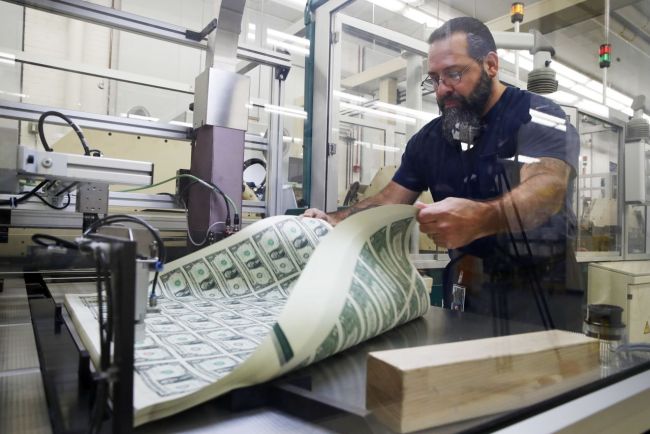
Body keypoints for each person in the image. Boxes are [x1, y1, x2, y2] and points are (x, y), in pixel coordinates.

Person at [304, 17, 581, 331]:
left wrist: (482, 218)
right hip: (470, 283)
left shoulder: (537, 116)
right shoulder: (430, 140)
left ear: (491, 65)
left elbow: (548, 188)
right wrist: (334, 219)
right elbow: (389, 199)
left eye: (453, 74)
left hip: (542, 289)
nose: (442, 89)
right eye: (434, 79)